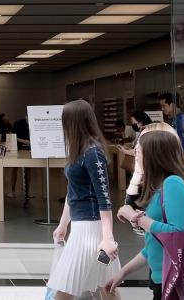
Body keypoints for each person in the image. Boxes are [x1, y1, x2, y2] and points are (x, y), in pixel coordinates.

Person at [106, 125, 184, 300]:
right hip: (164, 281)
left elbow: (178, 234)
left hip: (176, 283)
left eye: (138, 152)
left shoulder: (173, 184)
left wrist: (134, 216)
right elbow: (155, 246)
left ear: (153, 156)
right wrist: (122, 273)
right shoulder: (161, 187)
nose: (135, 157)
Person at [48, 99, 120, 300]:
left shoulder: (92, 152)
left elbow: (103, 198)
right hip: (84, 227)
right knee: (106, 286)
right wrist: (63, 225)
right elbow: (73, 192)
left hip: (91, 231)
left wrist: (107, 237)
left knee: (68, 284)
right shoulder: (80, 150)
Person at [158, 92, 184, 169]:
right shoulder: (174, 120)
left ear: (172, 105)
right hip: (179, 161)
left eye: (164, 106)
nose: (162, 109)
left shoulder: (181, 118)